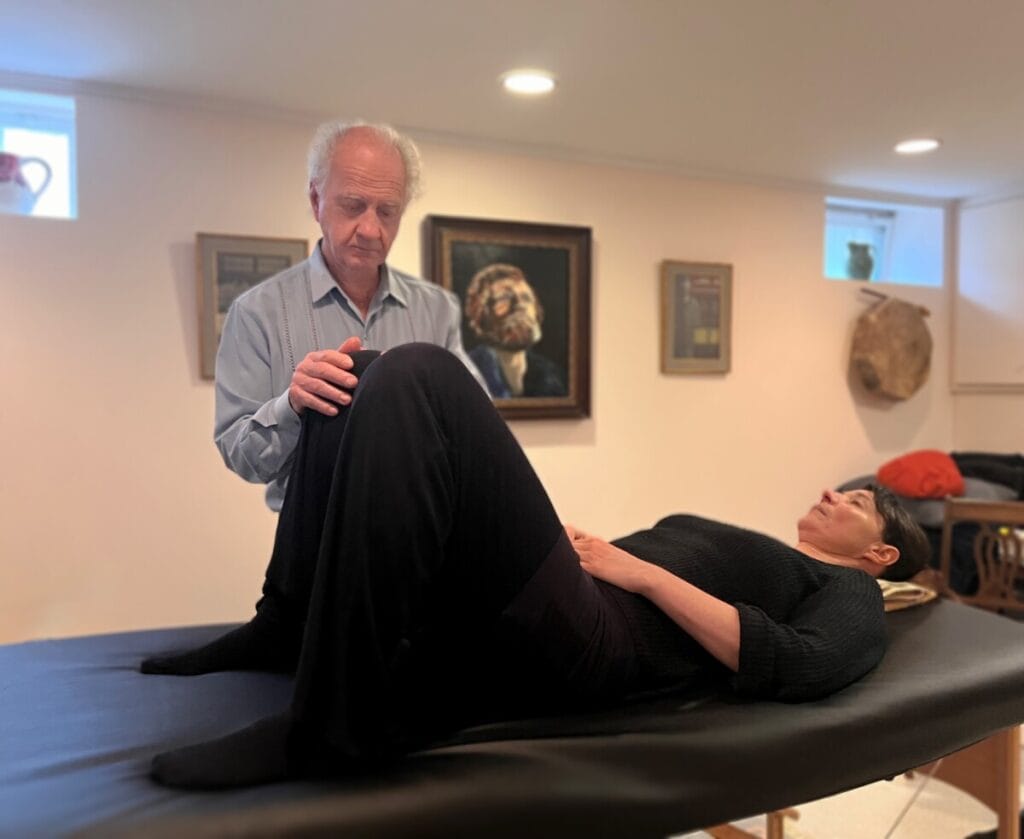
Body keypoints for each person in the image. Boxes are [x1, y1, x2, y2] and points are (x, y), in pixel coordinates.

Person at [143, 344, 930, 790]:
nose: (833, 491)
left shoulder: (848, 588)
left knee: (421, 374)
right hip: (580, 601)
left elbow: (801, 662)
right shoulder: (779, 557)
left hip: (603, 645)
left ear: (881, 551)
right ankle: (286, 622)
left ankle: (331, 729)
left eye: (856, 500)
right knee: (355, 377)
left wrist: (641, 573)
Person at [214, 119, 485, 512]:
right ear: (316, 201)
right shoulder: (257, 313)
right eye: (354, 206)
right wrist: (292, 406)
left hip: (426, 530)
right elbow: (242, 456)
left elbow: (475, 427)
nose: (371, 229)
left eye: (388, 211)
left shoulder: (436, 309)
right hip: (316, 533)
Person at [464, 263, 566, 398]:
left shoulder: (552, 376)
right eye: (504, 298)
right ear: (481, 314)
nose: (520, 305)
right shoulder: (466, 372)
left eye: (526, 298)